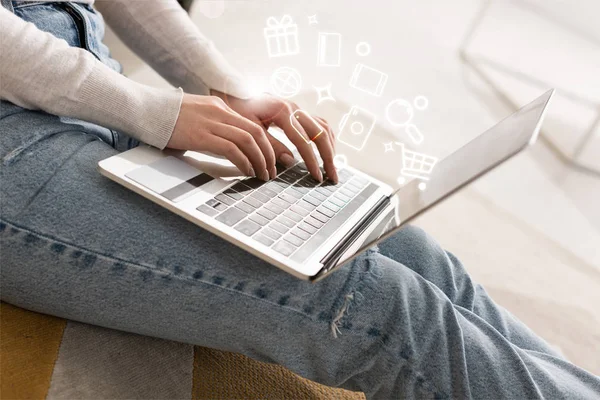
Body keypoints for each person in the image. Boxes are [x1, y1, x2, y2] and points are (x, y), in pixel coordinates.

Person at [0, 1, 598, 398]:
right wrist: (156, 113)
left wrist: (222, 86)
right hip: (13, 144)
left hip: (86, 83)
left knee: (400, 244)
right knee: (371, 305)